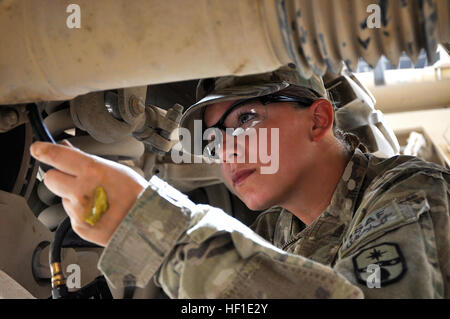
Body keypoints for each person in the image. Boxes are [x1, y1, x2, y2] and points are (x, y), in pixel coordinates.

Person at [30, 64, 449, 298]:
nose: (226, 150)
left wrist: (161, 233)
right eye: (212, 140)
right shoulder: (275, 230)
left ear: (319, 119)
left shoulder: (409, 192)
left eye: (246, 119)